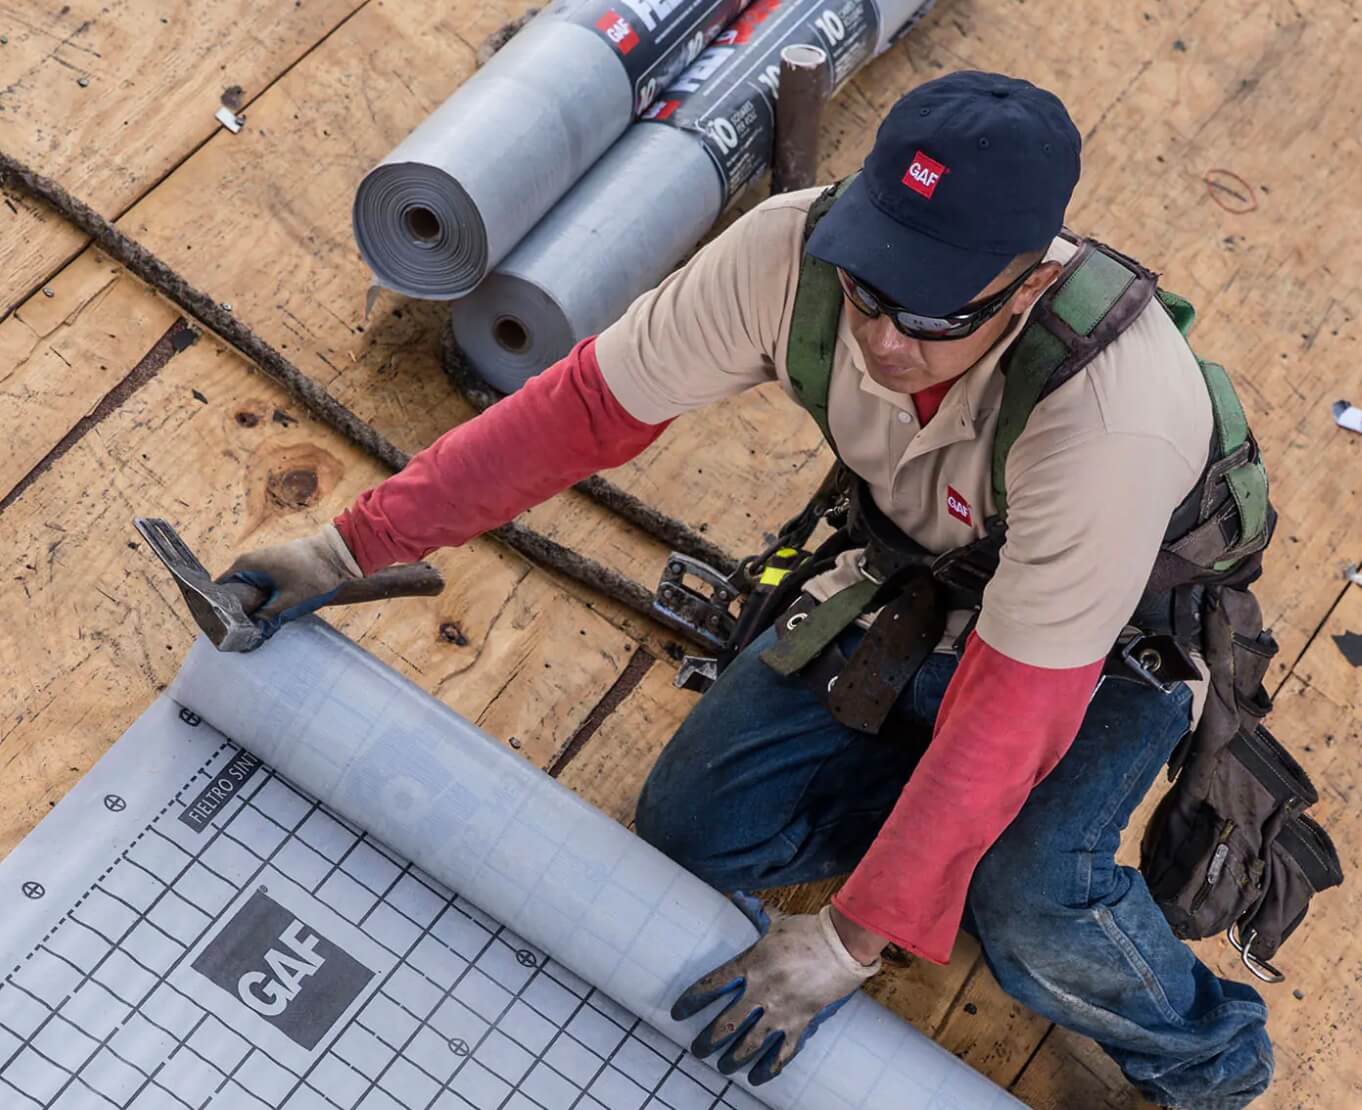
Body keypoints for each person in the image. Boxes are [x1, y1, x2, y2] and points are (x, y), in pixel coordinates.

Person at [224, 71, 1274, 1108]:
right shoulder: (790, 249)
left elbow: (1013, 709)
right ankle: (938, 828)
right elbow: (581, 410)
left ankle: (1208, 1058)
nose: (881, 338)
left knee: (1031, 905)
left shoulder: (1110, 419)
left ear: (1030, 285)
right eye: (869, 284)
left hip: (1101, 656)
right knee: (696, 826)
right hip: (922, 585)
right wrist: (351, 546)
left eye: (932, 314)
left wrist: (857, 937)